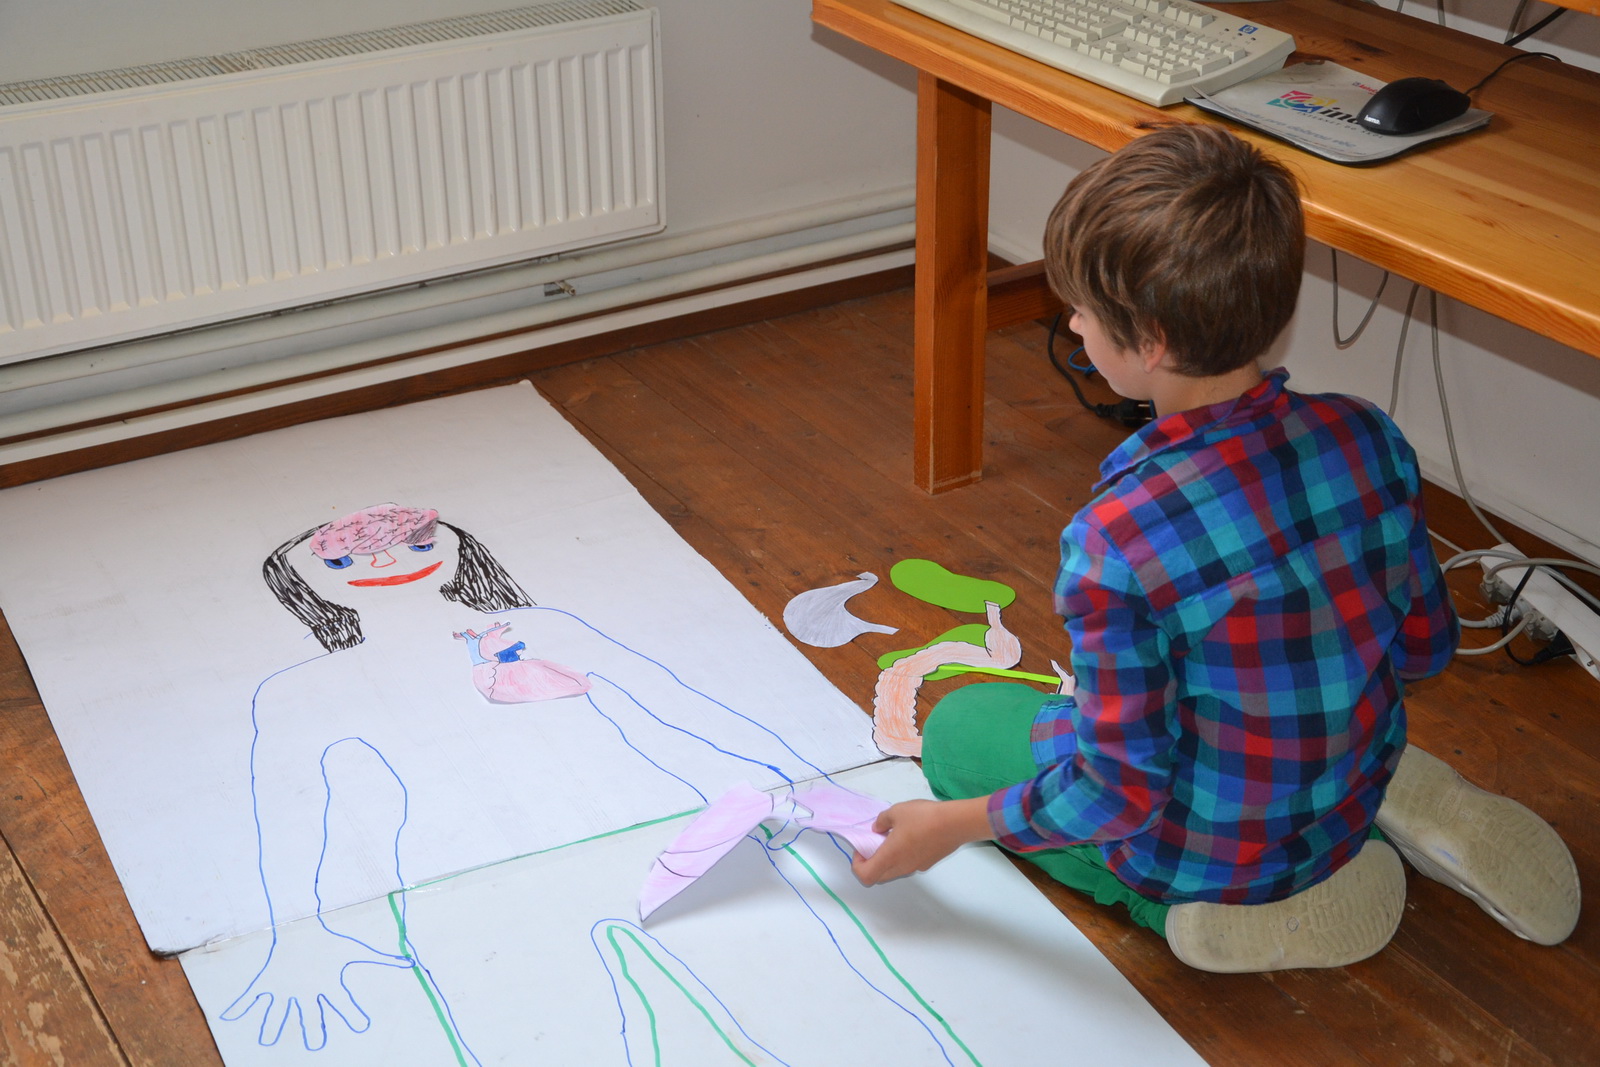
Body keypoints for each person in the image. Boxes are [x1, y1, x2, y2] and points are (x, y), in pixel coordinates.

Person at [851, 124, 1580, 972]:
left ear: (1152, 341)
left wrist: (949, 826)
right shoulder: (1367, 435)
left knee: (958, 731)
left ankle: (1202, 913)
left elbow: (1116, 792)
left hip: (1215, 850)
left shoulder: (1116, 539)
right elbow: (1425, 648)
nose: (1072, 322)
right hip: (1348, 766)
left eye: (1082, 311)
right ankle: (1393, 792)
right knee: (1284, 699)